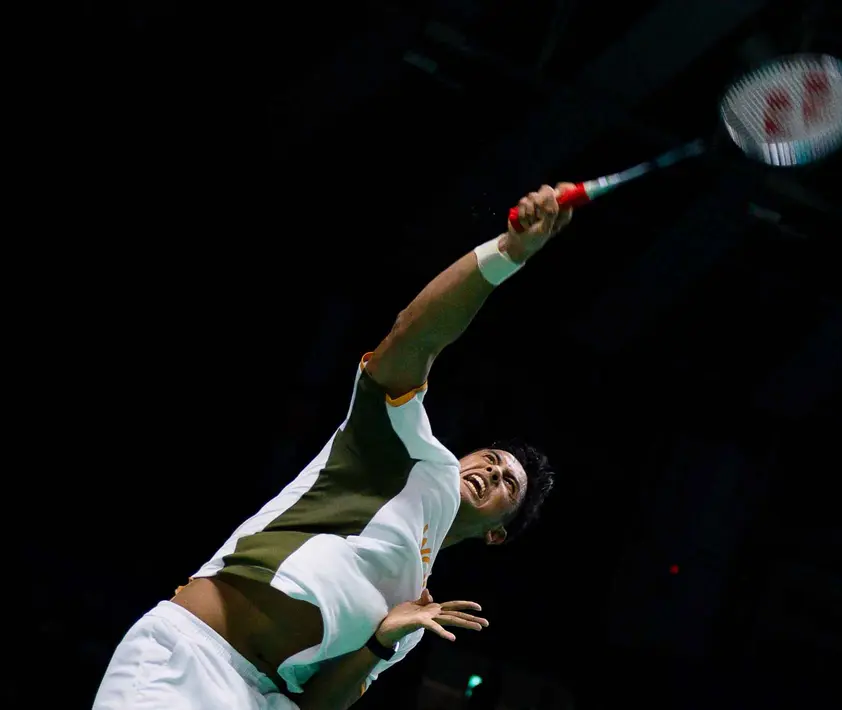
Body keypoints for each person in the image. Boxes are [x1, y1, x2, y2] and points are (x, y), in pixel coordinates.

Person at [93, 184, 575, 710]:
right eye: (492, 457)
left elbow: (321, 705)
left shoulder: (419, 613)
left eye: (510, 482)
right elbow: (414, 338)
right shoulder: (412, 456)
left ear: (497, 533)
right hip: (192, 660)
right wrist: (506, 254)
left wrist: (381, 640)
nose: (493, 469)